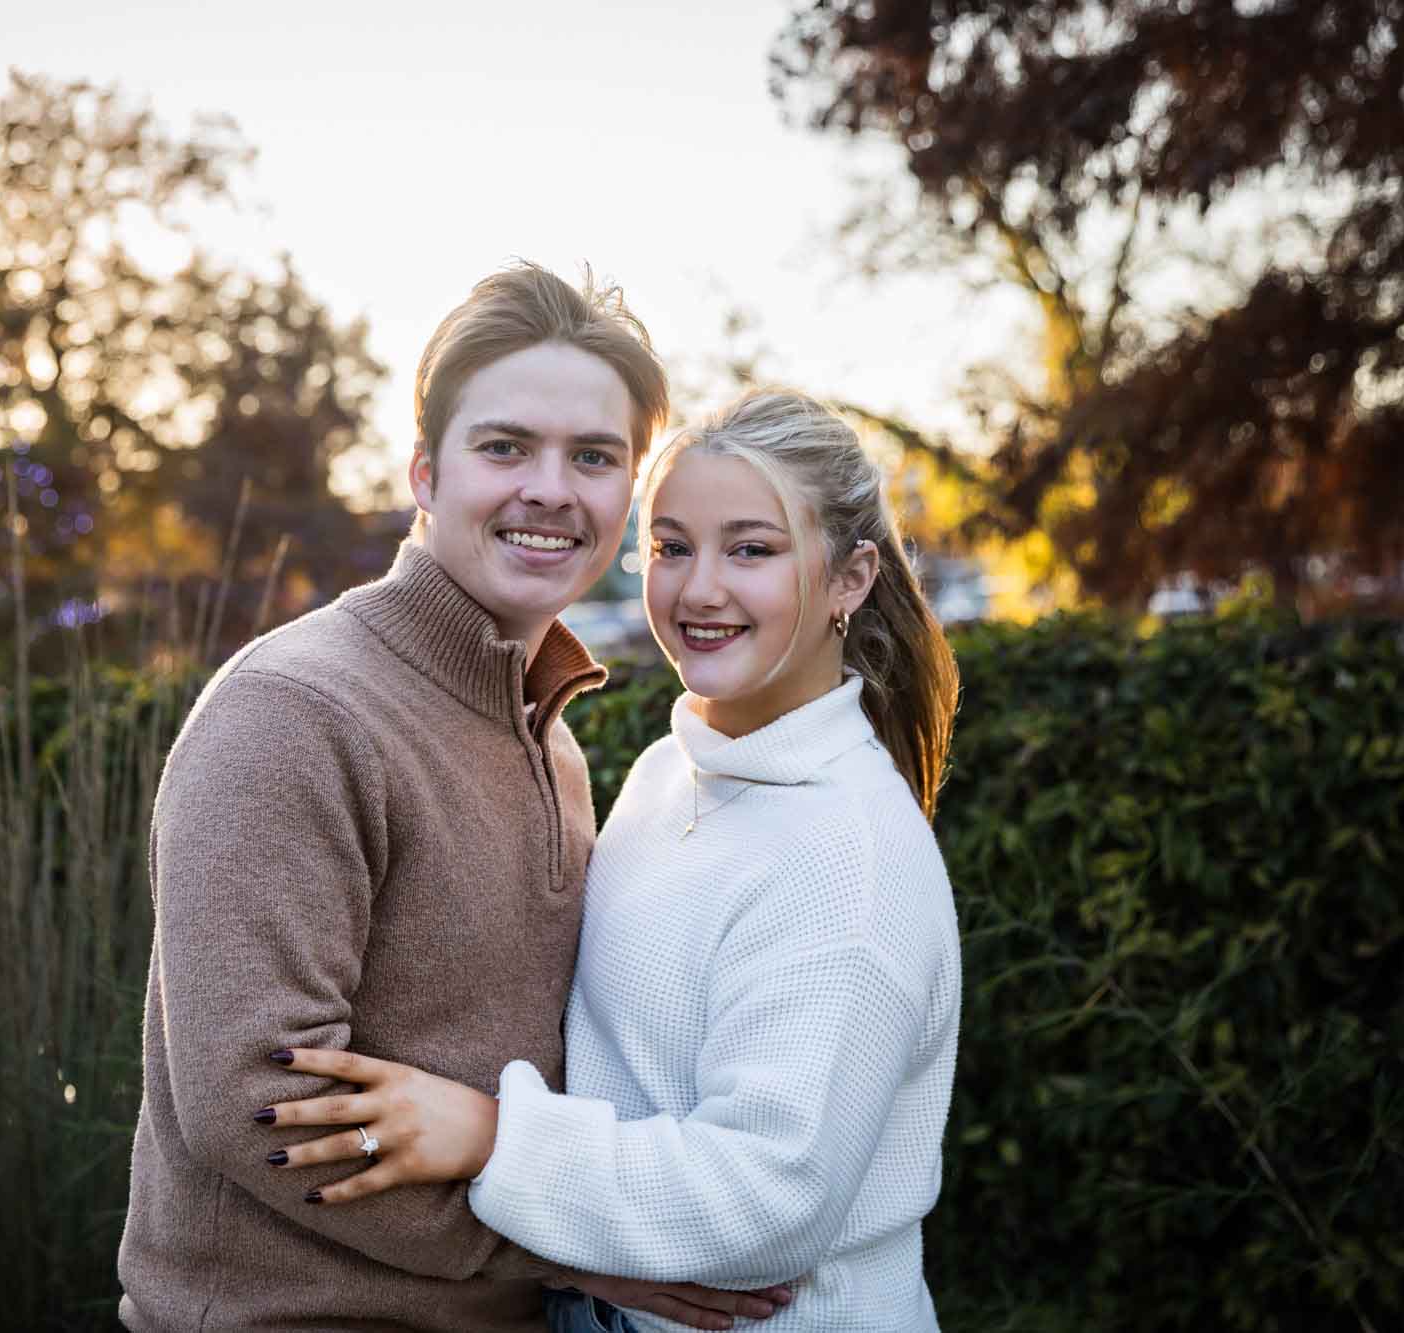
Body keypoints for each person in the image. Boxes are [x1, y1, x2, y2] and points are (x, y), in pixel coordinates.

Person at [117, 265, 793, 1332]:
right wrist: (579, 1242)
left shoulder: (551, 739)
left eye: (593, 457)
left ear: (628, 494)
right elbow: (259, 1105)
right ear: (424, 474)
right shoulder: (293, 712)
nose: (550, 489)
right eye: (504, 447)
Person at [262, 389, 963, 1332]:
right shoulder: (669, 770)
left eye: (750, 549)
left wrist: (491, 1134)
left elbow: (766, 1200)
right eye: (671, 546)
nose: (699, 589)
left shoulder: (850, 859)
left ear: (850, 577)